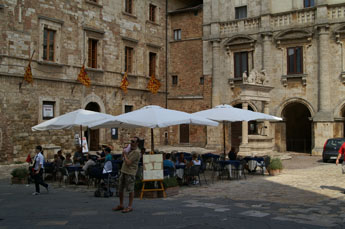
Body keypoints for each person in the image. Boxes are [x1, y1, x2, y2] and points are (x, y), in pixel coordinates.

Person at [112, 137, 141, 213]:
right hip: (123, 171)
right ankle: (121, 204)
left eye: (133, 141)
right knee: (120, 188)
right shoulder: (129, 149)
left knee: (130, 190)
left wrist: (125, 155)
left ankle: (129, 206)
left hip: (130, 172)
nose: (131, 143)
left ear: (137, 143)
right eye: (131, 141)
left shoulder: (137, 152)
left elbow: (128, 162)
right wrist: (124, 152)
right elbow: (122, 158)